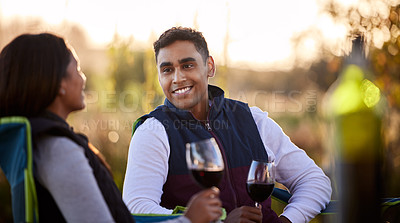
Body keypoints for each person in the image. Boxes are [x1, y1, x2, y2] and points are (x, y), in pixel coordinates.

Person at [0, 33, 222, 223]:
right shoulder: (59, 150)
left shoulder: (37, 141)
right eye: (76, 68)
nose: (83, 77)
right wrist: (188, 219)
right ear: (59, 84)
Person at [122, 27, 332, 223]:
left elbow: (313, 180)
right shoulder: (153, 131)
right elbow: (138, 208)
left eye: (187, 65)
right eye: (167, 70)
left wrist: (287, 220)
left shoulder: (253, 120)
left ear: (209, 67)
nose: (177, 78)